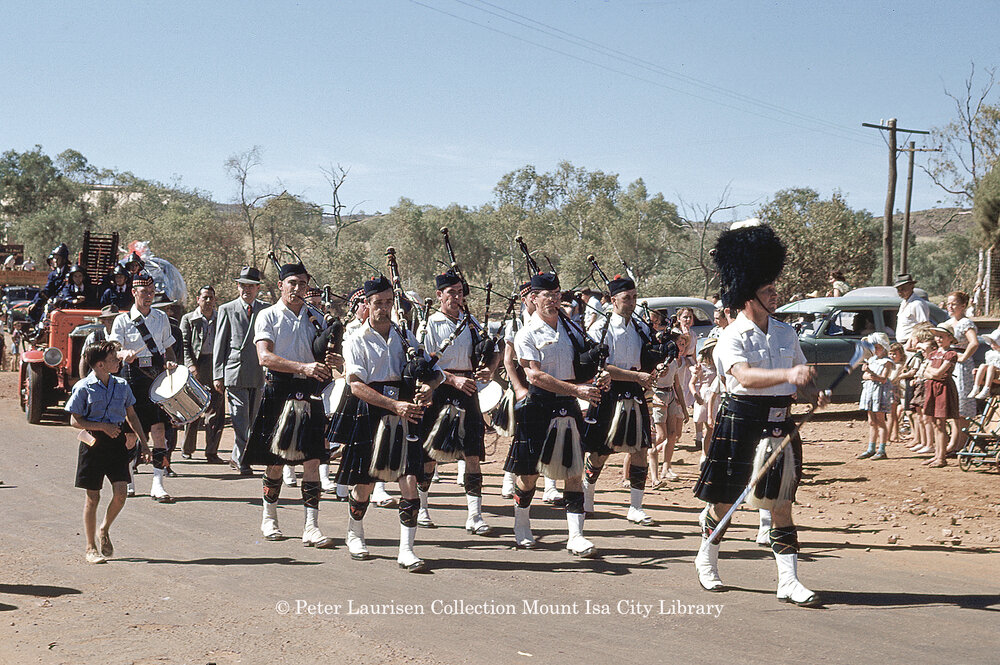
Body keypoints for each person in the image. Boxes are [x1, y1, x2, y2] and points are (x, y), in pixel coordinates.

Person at [693, 222, 826, 607]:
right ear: (749, 296)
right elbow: (745, 378)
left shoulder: (787, 333)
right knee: (724, 502)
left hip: (779, 424)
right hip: (741, 421)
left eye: (774, 287)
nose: (776, 293)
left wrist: (814, 393)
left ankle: (788, 581)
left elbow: (801, 379)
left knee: (781, 503)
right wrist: (788, 374)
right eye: (769, 290)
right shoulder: (731, 336)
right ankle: (707, 558)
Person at [338, 275, 443, 570]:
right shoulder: (355, 340)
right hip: (371, 412)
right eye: (377, 303)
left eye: (387, 302)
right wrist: (393, 405)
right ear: (366, 305)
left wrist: (429, 387)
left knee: (409, 480)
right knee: (363, 485)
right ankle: (354, 533)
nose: (383, 308)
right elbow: (356, 386)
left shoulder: (407, 337)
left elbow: (435, 372)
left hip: (406, 415)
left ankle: (406, 550)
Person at [243, 262, 338, 548]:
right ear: (281, 285)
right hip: (279, 390)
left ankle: (311, 527)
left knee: (312, 460)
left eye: (303, 284)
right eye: (292, 283)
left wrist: (334, 360)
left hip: (309, 392)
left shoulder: (316, 318)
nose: (297, 289)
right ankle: (269, 517)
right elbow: (265, 358)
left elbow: (329, 355)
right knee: (275, 461)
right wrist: (303, 367)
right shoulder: (267, 316)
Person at [509, 271, 604, 556]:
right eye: (546, 295)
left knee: (574, 471)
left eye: (556, 294)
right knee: (528, 476)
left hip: (569, 406)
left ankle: (575, 536)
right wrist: (578, 391)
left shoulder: (572, 329)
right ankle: (521, 523)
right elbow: (535, 377)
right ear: (533, 299)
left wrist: (596, 380)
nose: (552, 300)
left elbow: (584, 363)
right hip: (539, 407)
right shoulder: (526, 333)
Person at [418, 269, 500, 535]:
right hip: (440, 391)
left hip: (469, 392)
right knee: (431, 455)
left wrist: (489, 369)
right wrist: (452, 380)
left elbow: (494, 351)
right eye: (451, 292)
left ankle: (475, 516)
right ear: (439, 295)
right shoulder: (429, 324)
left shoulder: (471, 321)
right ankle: (421, 507)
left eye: (460, 292)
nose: (456, 297)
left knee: (472, 453)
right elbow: (424, 365)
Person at [580, 274, 656, 527]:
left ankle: (636, 507)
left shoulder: (641, 327)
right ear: (613, 300)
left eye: (634, 297)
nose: (632, 302)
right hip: (609, 390)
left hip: (635, 391)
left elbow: (647, 358)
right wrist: (638, 375)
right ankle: (587, 497)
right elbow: (603, 367)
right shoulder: (600, 329)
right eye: (627, 298)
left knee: (641, 449)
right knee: (601, 451)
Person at [65, 341, 151, 564]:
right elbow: (75, 420)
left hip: (117, 444)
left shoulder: (122, 385)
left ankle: (104, 529)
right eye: (114, 358)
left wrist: (144, 442)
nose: (118, 361)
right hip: (93, 444)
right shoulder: (84, 387)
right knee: (92, 497)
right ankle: (90, 547)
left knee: (121, 494)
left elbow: (131, 416)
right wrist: (102, 426)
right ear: (101, 364)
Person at [108, 271, 178, 503]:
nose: (149, 296)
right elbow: (114, 349)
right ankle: (129, 479)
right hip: (131, 380)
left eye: (152, 292)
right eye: (144, 292)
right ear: (134, 293)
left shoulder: (161, 318)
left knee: (159, 432)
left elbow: (168, 347)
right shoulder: (122, 320)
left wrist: (171, 361)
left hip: (155, 380)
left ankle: (158, 484)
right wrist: (122, 353)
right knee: (130, 437)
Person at [213, 267, 268, 475]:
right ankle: (243, 459)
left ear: (257, 288)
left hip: (258, 372)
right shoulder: (227, 309)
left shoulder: (265, 309)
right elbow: (220, 342)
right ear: (238, 287)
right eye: (243, 285)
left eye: (251, 286)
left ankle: (237, 455)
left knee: (253, 419)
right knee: (239, 418)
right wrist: (218, 374)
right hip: (235, 371)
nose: (247, 290)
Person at [180, 286, 225, 463]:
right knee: (193, 408)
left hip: (216, 365)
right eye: (205, 298)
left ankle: (211, 452)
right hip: (197, 366)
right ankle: (188, 448)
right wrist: (191, 366)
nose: (208, 301)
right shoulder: (189, 319)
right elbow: (185, 345)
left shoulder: (221, 318)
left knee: (216, 410)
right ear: (198, 299)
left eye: (211, 298)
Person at [921, 326, 959, 468]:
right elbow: (926, 372)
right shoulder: (934, 354)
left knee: (941, 423)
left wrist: (931, 372)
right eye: (937, 336)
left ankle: (942, 457)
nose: (938, 339)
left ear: (950, 338)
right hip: (932, 388)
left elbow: (939, 373)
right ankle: (937, 454)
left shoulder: (951, 354)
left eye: (942, 336)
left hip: (943, 389)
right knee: (935, 423)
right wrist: (932, 373)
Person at [944, 291, 978, 454]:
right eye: (948, 303)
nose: (949, 307)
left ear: (963, 306)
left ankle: (961, 443)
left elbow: (974, 342)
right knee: (952, 405)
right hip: (949, 363)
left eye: (954, 304)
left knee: (961, 406)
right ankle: (953, 442)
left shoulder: (965, 323)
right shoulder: (949, 322)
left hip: (961, 367)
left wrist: (963, 357)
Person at [857, 333, 893, 460]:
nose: (875, 350)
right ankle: (871, 448)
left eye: (877, 347)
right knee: (872, 421)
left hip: (879, 392)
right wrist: (870, 375)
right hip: (870, 392)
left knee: (880, 420)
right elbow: (865, 376)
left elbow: (883, 378)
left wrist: (870, 373)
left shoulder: (887, 362)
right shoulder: (872, 360)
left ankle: (882, 449)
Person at [690, 339, 719, 461]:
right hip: (704, 396)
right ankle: (704, 453)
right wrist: (696, 396)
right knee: (709, 427)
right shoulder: (701, 367)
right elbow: (691, 383)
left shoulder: (718, 365)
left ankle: (708, 452)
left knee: (713, 428)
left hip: (717, 396)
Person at [80, 305, 120, 376]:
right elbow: (84, 359)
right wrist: (83, 380)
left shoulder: (123, 337)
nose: (113, 323)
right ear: (103, 321)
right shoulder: (93, 336)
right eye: (110, 320)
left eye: (115, 320)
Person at [894, 273, 930, 350]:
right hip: (902, 345)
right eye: (898, 290)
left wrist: (911, 343)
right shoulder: (904, 303)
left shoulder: (917, 304)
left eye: (903, 289)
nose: (900, 292)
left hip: (912, 345)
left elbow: (924, 327)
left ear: (912, 286)